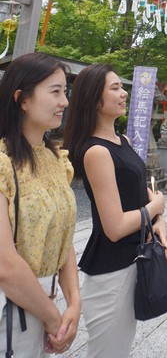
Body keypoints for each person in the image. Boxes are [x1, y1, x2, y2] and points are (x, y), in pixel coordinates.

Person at [62, 63, 167, 358]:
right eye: (115, 88)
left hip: (135, 259)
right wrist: (154, 207)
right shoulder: (96, 151)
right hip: (112, 270)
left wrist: (158, 220)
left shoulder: (124, 141)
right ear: (95, 99)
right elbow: (115, 226)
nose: (124, 93)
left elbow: (139, 190)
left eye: (122, 87)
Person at [0, 52, 81, 356]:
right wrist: (54, 319)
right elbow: (5, 265)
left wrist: (74, 302)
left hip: (45, 303)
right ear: (22, 99)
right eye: (55, 91)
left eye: (66, 91)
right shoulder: (3, 163)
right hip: (10, 308)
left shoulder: (56, 159)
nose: (65, 101)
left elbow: (63, 235)